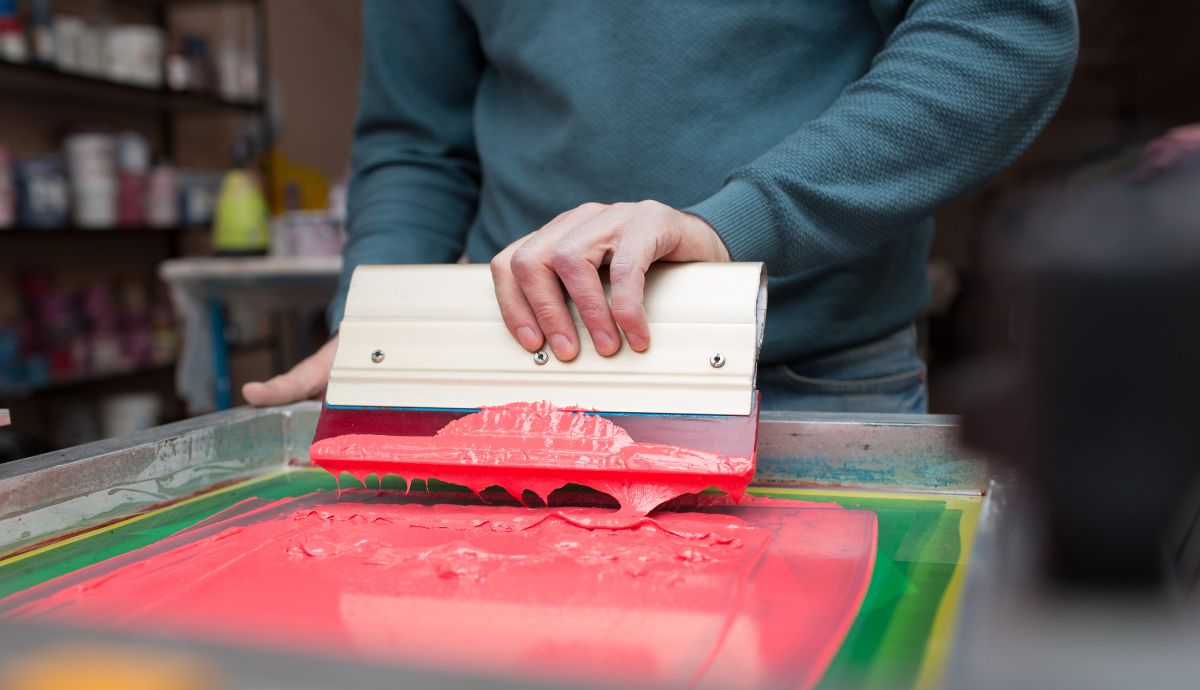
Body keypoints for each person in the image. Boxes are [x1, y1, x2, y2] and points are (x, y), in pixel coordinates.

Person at [243, 0, 1078, 413]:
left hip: (804, 379)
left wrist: (734, 224)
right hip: (517, 376)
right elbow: (417, 138)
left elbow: (1000, 29)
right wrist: (379, 319)